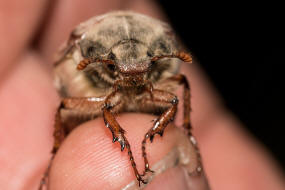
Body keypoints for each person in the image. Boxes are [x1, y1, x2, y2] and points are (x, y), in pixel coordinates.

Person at [0, 0, 284, 189]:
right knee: (80, 109)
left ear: (154, 59)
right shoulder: (87, 50)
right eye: (118, 67)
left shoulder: (162, 52)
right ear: (104, 63)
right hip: (99, 95)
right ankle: (59, 155)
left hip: (149, 93)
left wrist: (182, 129)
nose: (131, 73)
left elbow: (179, 87)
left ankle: (168, 136)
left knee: (175, 92)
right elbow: (67, 102)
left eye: (143, 66)